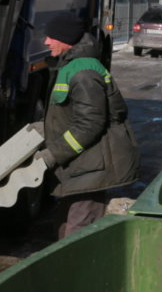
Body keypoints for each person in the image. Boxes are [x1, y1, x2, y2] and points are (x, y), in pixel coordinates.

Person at [34, 13, 140, 239]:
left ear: (65, 40)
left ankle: (75, 274)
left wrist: (53, 154)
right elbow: (71, 115)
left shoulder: (83, 73)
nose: (46, 42)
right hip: (82, 165)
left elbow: (90, 123)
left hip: (92, 167)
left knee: (78, 232)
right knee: (65, 227)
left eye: (51, 37)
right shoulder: (72, 67)